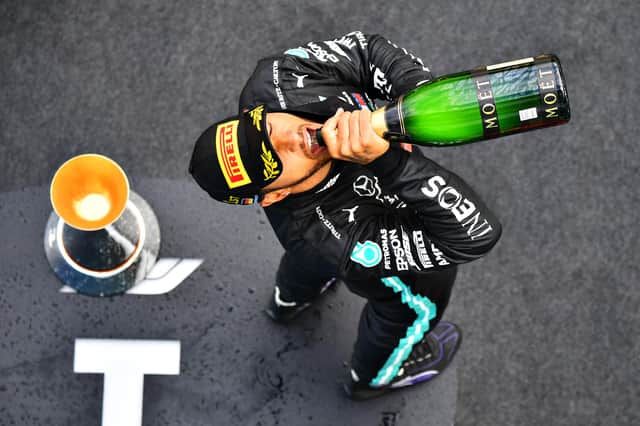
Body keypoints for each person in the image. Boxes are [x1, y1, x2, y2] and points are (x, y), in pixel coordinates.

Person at [189, 31, 502, 400]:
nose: (293, 139)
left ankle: (288, 301)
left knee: (304, 260)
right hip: (351, 247)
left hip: (309, 242)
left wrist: (422, 97)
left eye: (268, 130)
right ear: (274, 194)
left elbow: (366, 51)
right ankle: (370, 379)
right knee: (411, 308)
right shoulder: (333, 238)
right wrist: (388, 161)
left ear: (252, 113)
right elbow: (476, 234)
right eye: (274, 162)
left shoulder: (275, 79)